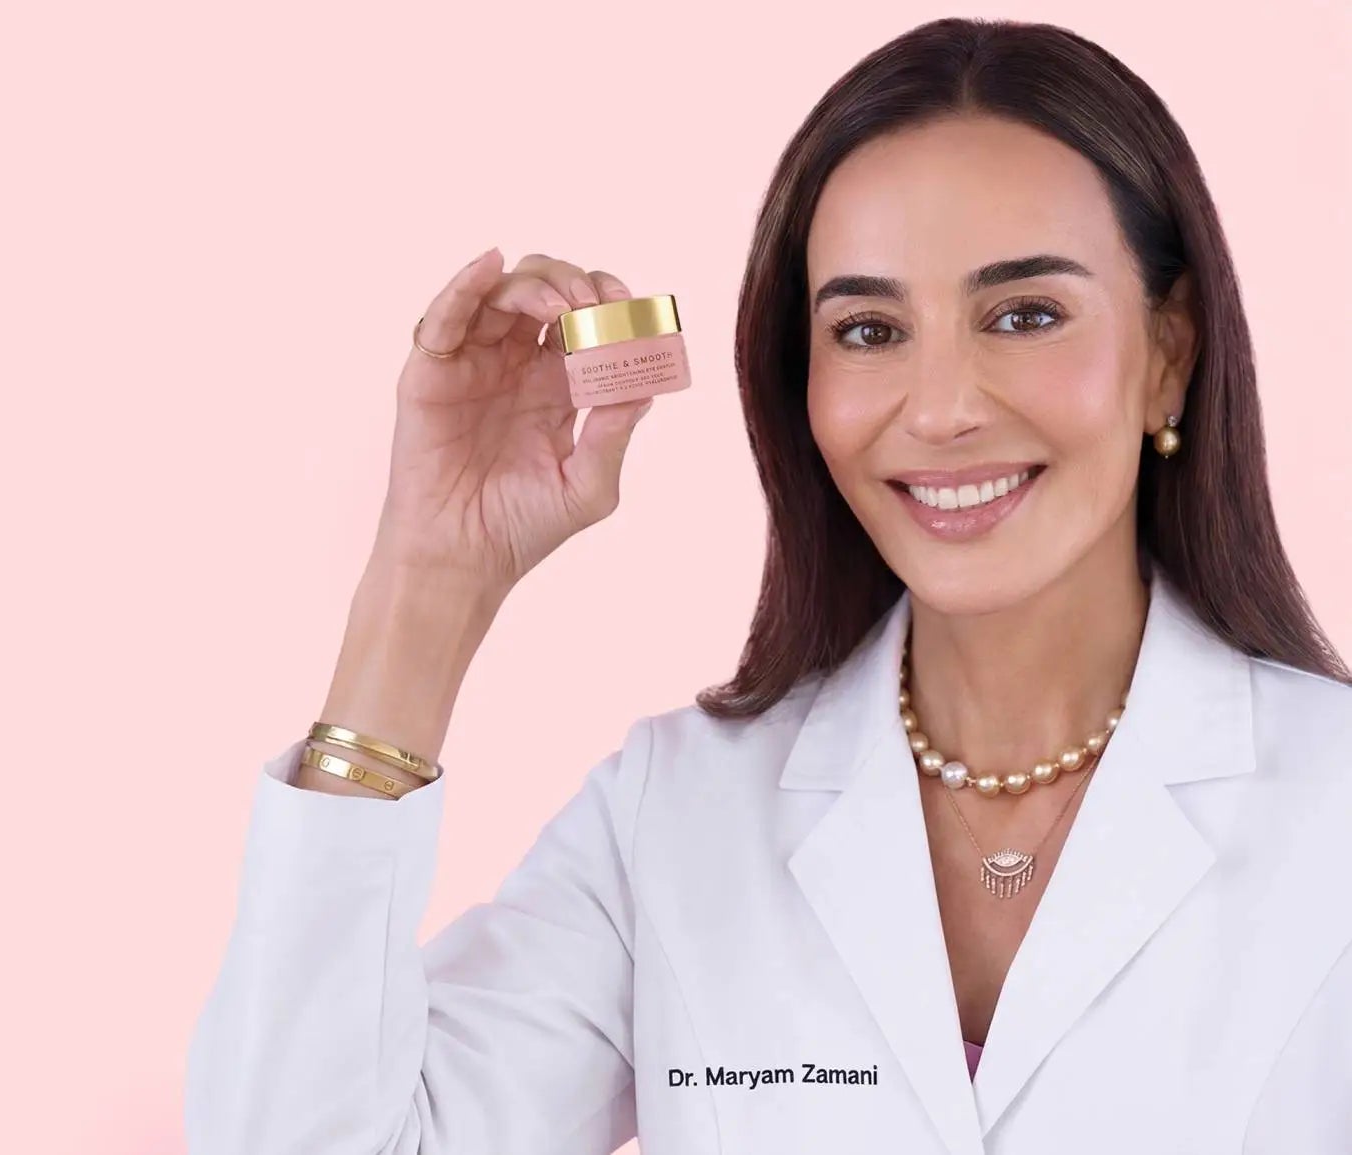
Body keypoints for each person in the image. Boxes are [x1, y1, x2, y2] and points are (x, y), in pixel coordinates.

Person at [184, 16, 1352, 1155]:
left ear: (1170, 353)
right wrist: (427, 575)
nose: (940, 407)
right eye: (867, 330)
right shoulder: (677, 818)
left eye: (1025, 314)